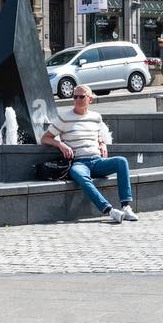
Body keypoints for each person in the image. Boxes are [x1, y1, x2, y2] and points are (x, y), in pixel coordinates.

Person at [40, 85, 139, 224]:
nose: (78, 99)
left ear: (90, 99)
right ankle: (109, 210)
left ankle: (126, 207)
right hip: (79, 163)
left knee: (121, 161)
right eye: (75, 97)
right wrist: (60, 144)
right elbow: (45, 138)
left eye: (82, 96)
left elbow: (97, 135)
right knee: (79, 174)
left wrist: (102, 143)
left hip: (97, 162)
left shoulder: (96, 117)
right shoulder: (64, 118)